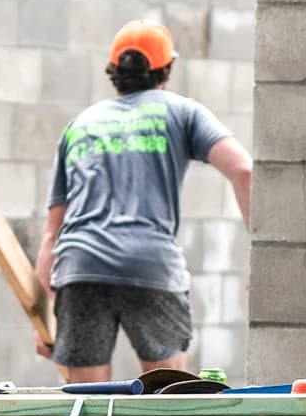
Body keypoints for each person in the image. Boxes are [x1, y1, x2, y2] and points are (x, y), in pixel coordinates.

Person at [37, 21, 252, 382]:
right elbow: (244, 170)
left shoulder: (80, 125)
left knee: (87, 408)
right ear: (166, 69)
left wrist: (43, 317)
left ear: (114, 72)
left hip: (81, 266)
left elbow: (50, 237)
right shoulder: (183, 112)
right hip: (150, 264)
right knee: (166, 400)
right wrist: (260, 254)